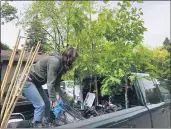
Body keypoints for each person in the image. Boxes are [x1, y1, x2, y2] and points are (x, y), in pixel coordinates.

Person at [19, 47, 78, 127]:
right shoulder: (55, 62)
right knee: (40, 105)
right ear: (69, 57)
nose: (73, 62)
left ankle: (46, 123)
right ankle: (36, 125)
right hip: (27, 80)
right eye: (73, 59)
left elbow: (57, 86)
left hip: (36, 83)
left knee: (46, 103)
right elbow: (50, 84)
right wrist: (54, 102)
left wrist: (65, 101)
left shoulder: (61, 66)